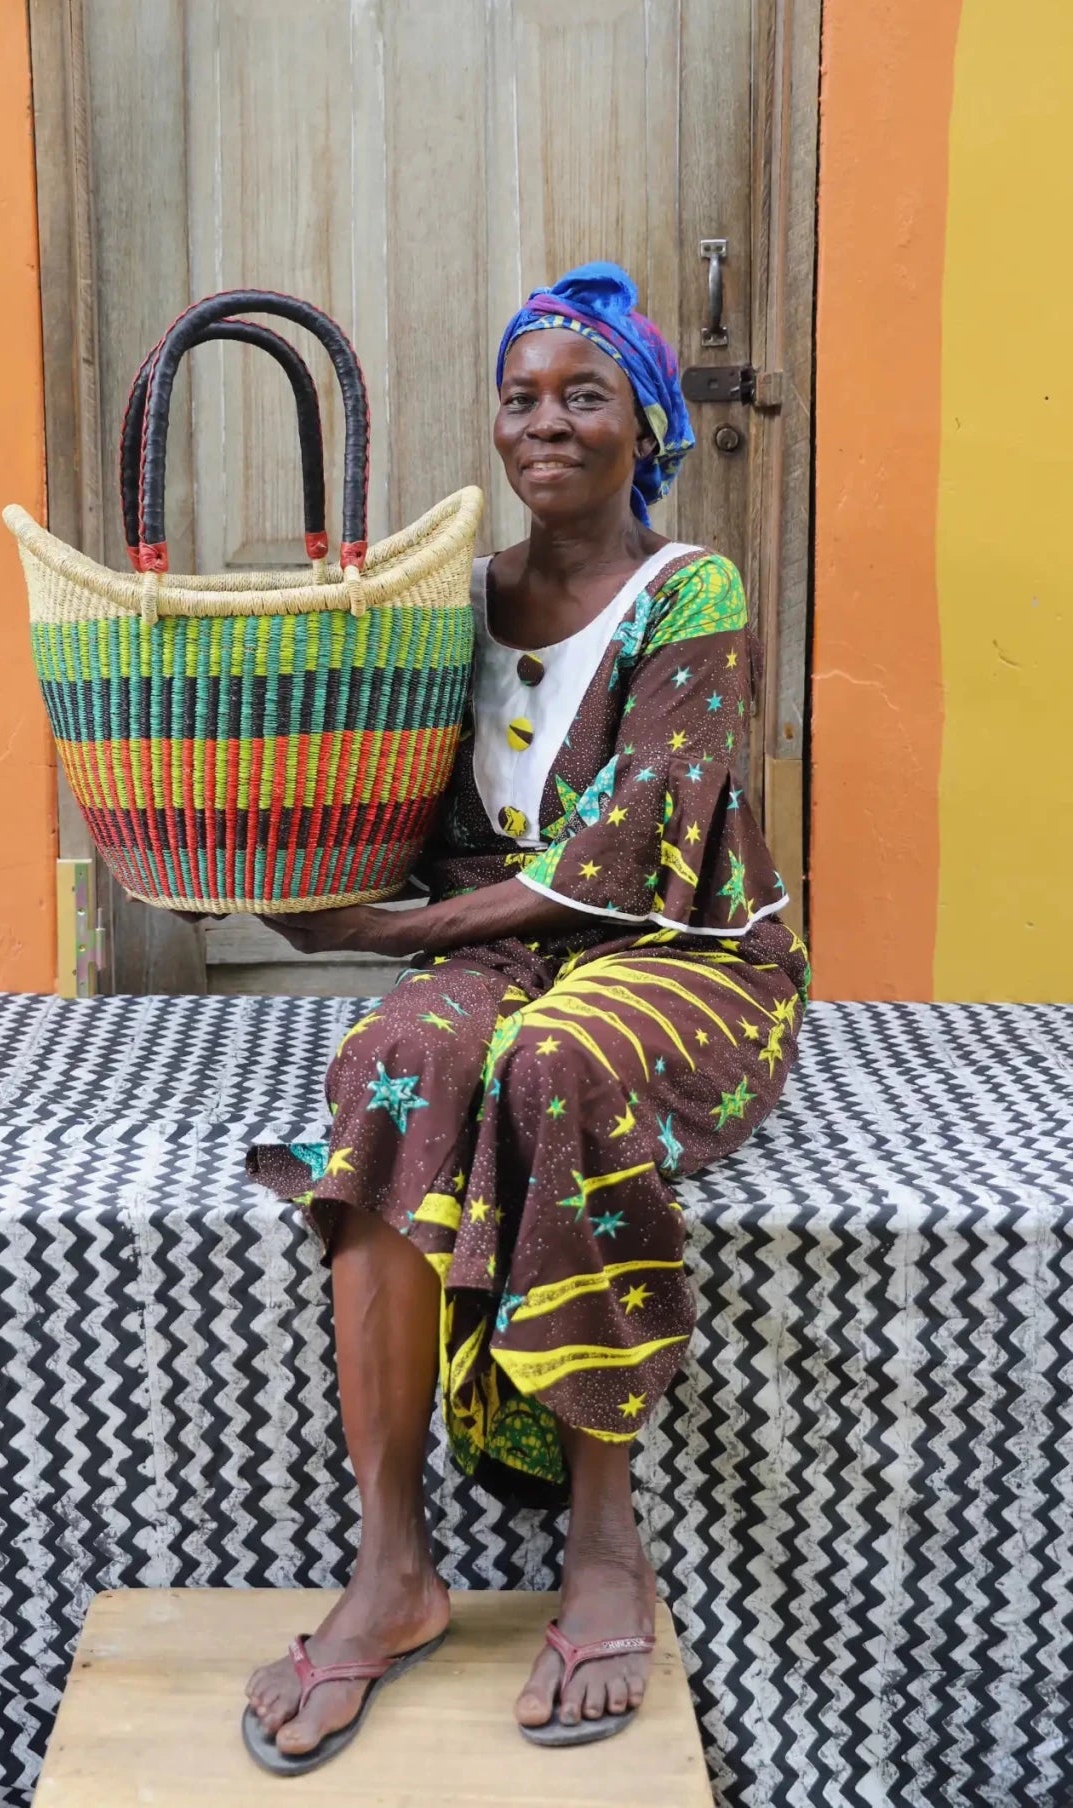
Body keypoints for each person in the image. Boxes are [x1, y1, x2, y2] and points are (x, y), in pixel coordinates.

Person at [241, 261, 808, 1772]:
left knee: (552, 1064)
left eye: (582, 397)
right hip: (506, 941)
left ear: (646, 426)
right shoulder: (463, 599)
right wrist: (289, 856)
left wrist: (397, 929)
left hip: (679, 951)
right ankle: (392, 1567)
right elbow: (408, 802)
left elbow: (624, 860)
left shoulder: (692, 592)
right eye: (520, 398)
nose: (543, 424)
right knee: (389, 1061)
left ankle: (604, 1544)